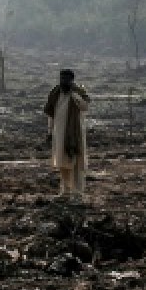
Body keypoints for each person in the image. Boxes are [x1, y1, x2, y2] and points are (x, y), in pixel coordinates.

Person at [43, 68, 90, 198]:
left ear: (71, 80)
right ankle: (66, 191)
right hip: (59, 133)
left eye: (66, 79)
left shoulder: (78, 92)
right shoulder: (55, 93)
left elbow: (85, 107)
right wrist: (49, 131)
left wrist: (74, 94)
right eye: (62, 78)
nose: (63, 81)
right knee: (62, 163)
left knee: (75, 163)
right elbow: (51, 114)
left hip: (75, 133)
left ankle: (77, 192)